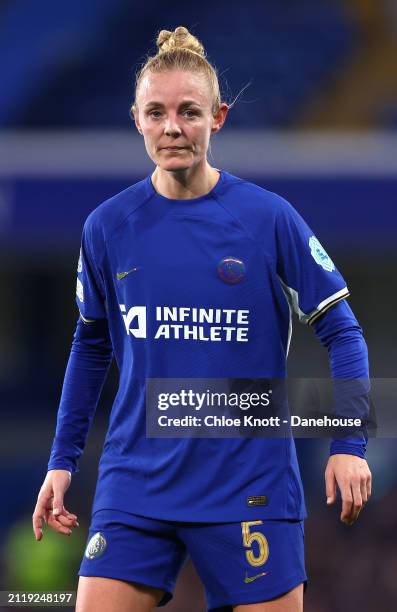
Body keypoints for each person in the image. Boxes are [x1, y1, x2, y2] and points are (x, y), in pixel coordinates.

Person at [32, 26, 372, 612]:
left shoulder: (268, 219)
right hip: (136, 484)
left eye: (189, 112)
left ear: (219, 117)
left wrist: (350, 443)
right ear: (135, 118)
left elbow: (344, 332)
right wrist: (62, 460)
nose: (172, 127)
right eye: (156, 112)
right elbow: (90, 347)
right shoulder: (107, 227)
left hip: (248, 485)